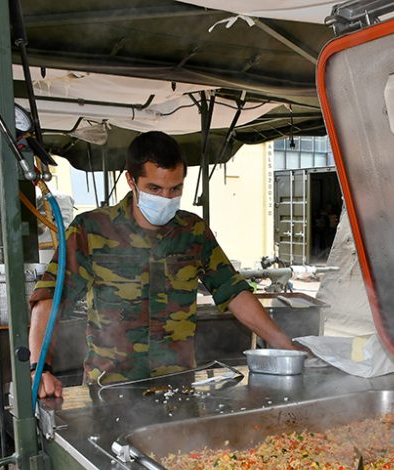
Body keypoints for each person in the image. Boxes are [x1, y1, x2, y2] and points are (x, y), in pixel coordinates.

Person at [28, 131, 297, 398]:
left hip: (178, 385)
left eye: (175, 189)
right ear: (131, 181)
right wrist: (40, 367)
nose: (166, 198)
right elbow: (50, 297)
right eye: (154, 189)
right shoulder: (92, 230)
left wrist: (286, 346)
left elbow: (233, 291)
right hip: (110, 389)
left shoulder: (193, 231)